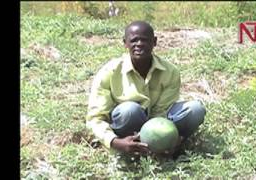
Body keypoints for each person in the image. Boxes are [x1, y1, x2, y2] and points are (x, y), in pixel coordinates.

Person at [86, 21, 206, 156]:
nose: (139, 44)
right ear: (125, 43)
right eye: (134, 40)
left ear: (154, 42)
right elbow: (95, 119)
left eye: (145, 40)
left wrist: (166, 137)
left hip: (160, 123)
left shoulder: (170, 71)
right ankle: (131, 148)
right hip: (128, 127)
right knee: (129, 111)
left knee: (195, 109)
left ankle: (174, 146)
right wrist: (115, 142)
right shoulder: (109, 72)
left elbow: (162, 112)